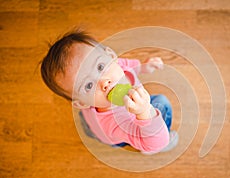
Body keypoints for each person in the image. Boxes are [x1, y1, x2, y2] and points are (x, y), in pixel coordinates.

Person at [40, 30, 178, 154]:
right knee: (161, 102)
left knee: (91, 127)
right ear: (81, 103)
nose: (104, 82)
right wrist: (145, 112)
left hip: (93, 123)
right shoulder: (117, 123)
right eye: (88, 85)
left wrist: (142, 67)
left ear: (111, 56)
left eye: (100, 67)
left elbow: (126, 65)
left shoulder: (115, 66)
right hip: (114, 133)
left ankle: (91, 127)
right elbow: (154, 142)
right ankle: (144, 147)